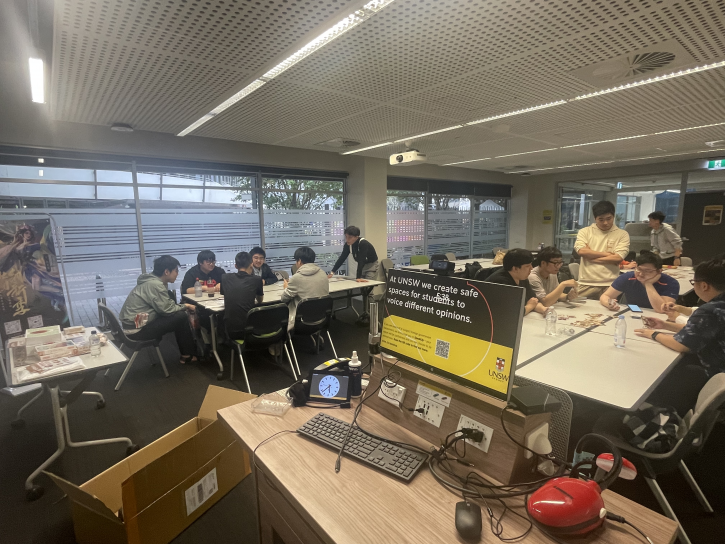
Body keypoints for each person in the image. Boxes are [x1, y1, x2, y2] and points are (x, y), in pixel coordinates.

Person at [635, 258, 725, 374]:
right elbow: (700, 330)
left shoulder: (709, 311)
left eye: (693, 282)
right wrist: (665, 325)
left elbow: (681, 344)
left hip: (718, 372)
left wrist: (653, 334)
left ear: (704, 286)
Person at [120, 255, 197, 363]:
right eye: (176, 271)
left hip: (133, 324)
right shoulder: (155, 285)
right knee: (181, 316)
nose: (177, 274)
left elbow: (166, 305)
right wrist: (186, 306)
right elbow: (166, 310)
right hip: (137, 330)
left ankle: (187, 352)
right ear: (166, 272)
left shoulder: (151, 281)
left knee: (174, 305)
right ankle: (187, 354)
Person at [574, 200, 630, 299]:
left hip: (611, 283)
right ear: (595, 218)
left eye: (609, 218)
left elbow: (618, 258)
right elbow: (582, 251)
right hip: (586, 281)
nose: (605, 223)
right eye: (601, 219)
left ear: (613, 216)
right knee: (574, 305)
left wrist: (591, 258)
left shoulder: (622, 234)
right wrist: (607, 255)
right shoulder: (585, 232)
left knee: (610, 308)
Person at [599, 251, 679, 312]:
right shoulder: (627, 277)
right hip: (632, 314)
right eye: (638, 269)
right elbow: (605, 295)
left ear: (659, 271)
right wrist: (608, 303)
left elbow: (662, 310)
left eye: (647, 271)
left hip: (659, 319)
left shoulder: (671, 283)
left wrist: (648, 284)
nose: (641, 274)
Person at [486, 249, 548, 315]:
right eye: (527, 266)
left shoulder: (522, 277)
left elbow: (533, 300)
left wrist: (545, 310)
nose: (531, 268)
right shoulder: (500, 282)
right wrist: (529, 306)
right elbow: (511, 313)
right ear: (515, 268)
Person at [282, 246, 329, 329]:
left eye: (296, 261)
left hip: (302, 322)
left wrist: (286, 287)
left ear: (299, 261)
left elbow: (283, 299)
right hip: (321, 318)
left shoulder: (296, 278)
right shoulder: (323, 274)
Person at [220, 252, 264, 339]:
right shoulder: (256, 279)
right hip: (251, 329)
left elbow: (224, 293)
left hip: (230, 329)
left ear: (236, 266)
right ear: (251, 265)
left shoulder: (225, 277)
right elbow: (260, 300)